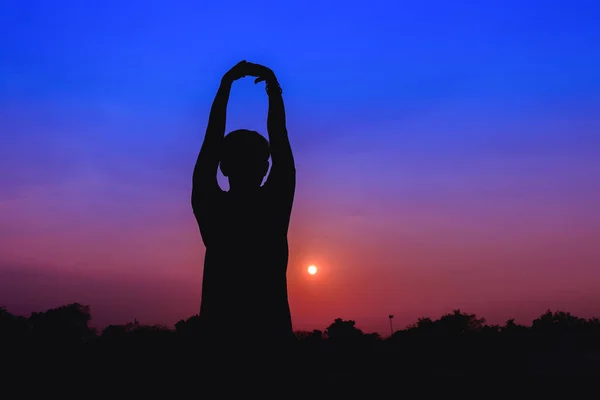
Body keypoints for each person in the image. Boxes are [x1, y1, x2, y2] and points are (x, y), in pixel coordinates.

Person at [191, 61, 296, 354]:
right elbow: (280, 139)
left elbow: (210, 145)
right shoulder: (274, 205)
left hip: (218, 341)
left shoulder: (211, 205)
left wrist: (226, 85)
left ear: (223, 168)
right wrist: (272, 88)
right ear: (266, 168)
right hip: (271, 341)